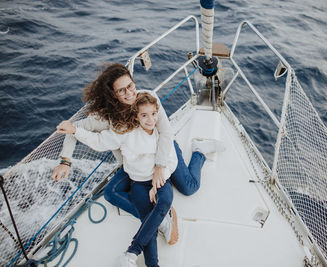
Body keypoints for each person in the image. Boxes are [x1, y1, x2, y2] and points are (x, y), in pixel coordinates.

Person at [52, 63, 224, 245]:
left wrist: (159, 167)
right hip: (135, 163)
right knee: (111, 193)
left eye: (130, 86)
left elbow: (166, 133)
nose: (129, 93)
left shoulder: (148, 98)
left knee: (189, 188)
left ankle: (199, 151)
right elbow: (73, 129)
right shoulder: (105, 117)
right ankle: (158, 217)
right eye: (121, 90)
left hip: (162, 152)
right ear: (113, 94)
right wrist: (65, 161)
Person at [58, 92, 177, 267]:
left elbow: (171, 160)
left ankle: (131, 252)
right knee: (147, 216)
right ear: (136, 117)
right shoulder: (125, 133)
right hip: (138, 182)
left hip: (159, 179)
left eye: (153, 114)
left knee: (165, 200)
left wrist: (156, 182)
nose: (150, 119)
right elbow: (99, 141)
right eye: (144, 115)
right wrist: (75, 130)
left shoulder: (162, 132)